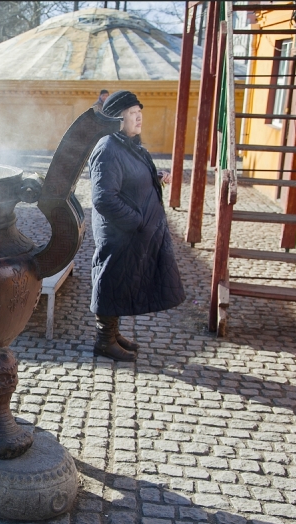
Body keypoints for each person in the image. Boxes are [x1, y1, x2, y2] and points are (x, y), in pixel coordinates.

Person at [87, 90, 185, 362]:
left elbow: (130, 176)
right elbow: (104, 198)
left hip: (130, 234)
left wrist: (154, 177)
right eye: (132, 113)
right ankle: (104, 341)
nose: (139, 117)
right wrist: (137, 222)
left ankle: (112, 334)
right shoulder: (108, 148)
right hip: (120, 234)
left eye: (139, 112)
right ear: (117, 119)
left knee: (120, 282)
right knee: (110, 281)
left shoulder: (127, 145)